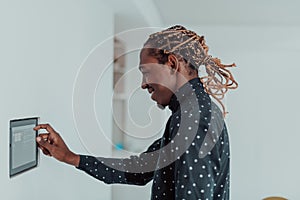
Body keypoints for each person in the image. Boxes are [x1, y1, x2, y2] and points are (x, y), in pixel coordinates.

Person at [34, 25, 238, 200]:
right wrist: (71, 157)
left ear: (172, 64)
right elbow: (140, 169)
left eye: (146, 72)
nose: (143, 84)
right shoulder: (190, 113)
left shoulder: (193, 117)